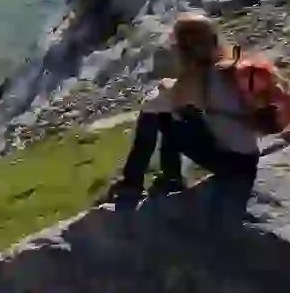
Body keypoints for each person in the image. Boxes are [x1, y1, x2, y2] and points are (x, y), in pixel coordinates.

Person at [109, 12, 262, 214]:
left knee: (159, 117)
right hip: (248, 159)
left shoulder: (194, 77)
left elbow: (153, 106)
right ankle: (168, 178)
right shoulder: (229, 66)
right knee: (177, 115)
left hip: (231, 166)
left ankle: (135, 183)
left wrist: (164, 88)